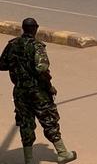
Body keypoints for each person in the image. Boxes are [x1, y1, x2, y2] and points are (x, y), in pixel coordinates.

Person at [0, 18, 77, 164]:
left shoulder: (13, 44)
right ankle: (62, 153)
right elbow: (42, 68)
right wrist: (49, 86)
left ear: (23, 28)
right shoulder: (37, 46)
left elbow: (2, 64)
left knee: (26, 124)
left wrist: (17, 66)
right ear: (35, 29)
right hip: (38, 92)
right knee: (49, 120)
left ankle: (28, 159)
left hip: (20, 92)